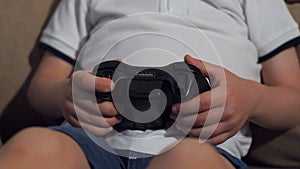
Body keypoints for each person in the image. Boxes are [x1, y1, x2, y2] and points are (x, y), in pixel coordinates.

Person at [0, 0, 300, 169]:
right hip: (88, 140)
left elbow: (294, 99)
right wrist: (66, 95)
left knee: (189, 163)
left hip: (196, 144)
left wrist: (251, 99)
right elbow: (41, 87)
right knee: (31, 148)